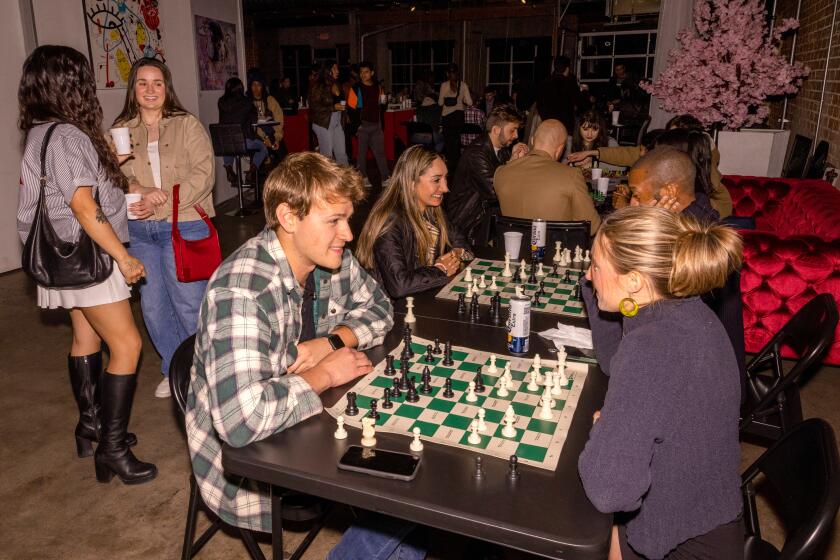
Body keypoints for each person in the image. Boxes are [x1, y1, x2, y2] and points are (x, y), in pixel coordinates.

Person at [185, 152, 426, 559]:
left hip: (312, 420)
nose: (348, 234)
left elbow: (383, 309)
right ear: (289, 217)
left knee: (418, 465)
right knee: (410, 497)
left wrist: (332, 342)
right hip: (254, 465)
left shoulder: (329, 259)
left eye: (347, 219)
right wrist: (325, 376)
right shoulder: (242, 292)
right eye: (334, 220)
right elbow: (241, 423)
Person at [17, 45, 156, 484]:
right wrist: (124, 257)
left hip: (64, 259)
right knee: (128, 345)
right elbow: (81, 204)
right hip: (89, 255)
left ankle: (91, 426)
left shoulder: (41, 133)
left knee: (85, 336)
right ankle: (112, 450)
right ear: (68, 84)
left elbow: (67, 189)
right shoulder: (68, 135)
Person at [579, 205, 744, 560]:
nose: (588, 276)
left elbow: (610, 490)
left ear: (635, 281)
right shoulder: (682, 310)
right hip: (702, 514)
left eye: (595, 265)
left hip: (682, 541)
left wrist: (603, 429)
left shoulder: (654, 346)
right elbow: (612, 360)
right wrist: (603, 293)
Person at [114, 58, 215, 398]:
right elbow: (111, 173)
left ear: (167, 87)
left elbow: (204, 175)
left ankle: (204, 371)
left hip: (183, 225)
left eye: (157, 82)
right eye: (142, 83)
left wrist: (164, 200)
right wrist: (136, 188)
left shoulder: (187, 124)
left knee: (188, 304)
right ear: (134, 90)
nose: (150, 89)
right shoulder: (122, 128)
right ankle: (175, 366)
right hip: (141, 231)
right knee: (154, 308)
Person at [621, 147, 748, 399]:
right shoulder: (693, 217)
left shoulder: (690, 243)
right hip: (691, 355)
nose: (631, 204)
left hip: (701, 383)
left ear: (668, 193)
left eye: (636, 195)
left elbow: (634, 302)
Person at [357, 146, 473, 299]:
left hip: (418, 298)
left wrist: (454, 255)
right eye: (436, 180)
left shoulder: (433, 210)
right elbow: (399, 286)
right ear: (411, 182)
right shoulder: (390, 221)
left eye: (445, 178)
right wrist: (440, 269)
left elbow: (464, 247)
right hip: (383, 308)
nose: (445, 188)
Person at [568, 113, 732, 217]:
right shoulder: (676, 171)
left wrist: (628, 209)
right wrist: (594, 153)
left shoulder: (699, 203)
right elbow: (633, 154)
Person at [495, 120, 600, 232]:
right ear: (560, 149)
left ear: (532, 141)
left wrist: (512, 163)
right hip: (554, 247)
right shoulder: (571, 175)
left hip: (509, 247)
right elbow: (592, 226)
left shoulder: (501, 173)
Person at [445, 104, 527, 246]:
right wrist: (512, 164)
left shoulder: (503, 150)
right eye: (512, 130)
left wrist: (513, 161)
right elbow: (495, 192)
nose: (516, 136)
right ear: (496, 130)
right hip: (467, 223)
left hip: (485, 216)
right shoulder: (476, 153)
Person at [347, 61, 390, 186]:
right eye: (361, 72)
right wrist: (357, 126)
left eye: (366, 72)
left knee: (380, 152)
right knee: (361, 154)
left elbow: (382, 105)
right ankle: (363, 177)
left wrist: (384, 102)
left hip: (376, 125)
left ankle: (385, 177)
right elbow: (350, 109)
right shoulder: (355, 88)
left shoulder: (378, 87)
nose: (363, 74)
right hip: (363, 125)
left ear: (372, 73)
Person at [217, 77, 266, 186]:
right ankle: (251, 171)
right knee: (263, 147)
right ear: (241, 88)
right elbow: (254, 120)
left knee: (230, 144)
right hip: (242, 141)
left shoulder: (221, 102)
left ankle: (229, 167)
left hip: (225, 143)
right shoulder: (247, 102)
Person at [308, 60, 349, 165]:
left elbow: (340, 103)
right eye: (334, 68)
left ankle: (346, 180)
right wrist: (333, 107)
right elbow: (314, 106)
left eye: (337, 68)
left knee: (341, 154)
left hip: (336, 121)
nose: (337, 71)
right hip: (323, 122)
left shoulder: (337, 84)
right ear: (327, 70)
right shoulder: (319, 85)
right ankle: (326, 181)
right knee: (327, 156)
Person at [536, 56, 585, 134]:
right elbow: (581, 104)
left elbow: (539, 105)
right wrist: (584, 92)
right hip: (566, 127)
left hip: (549, 126)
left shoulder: (544, 84)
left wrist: (546, 119)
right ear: (567, 69)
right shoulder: (570, 83)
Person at [438, 63, 472, 170]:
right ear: (457, 73)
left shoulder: (444, 85)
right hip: (458, 117)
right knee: (457, 143)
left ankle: (449, 167)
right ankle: (457, 167)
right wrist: (461, 101)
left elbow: (439, 103)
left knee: (448, 144)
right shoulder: (463, 85)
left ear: (448, 74)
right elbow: (470, 102)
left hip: (447, 118)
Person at [248, 70, 284, 170]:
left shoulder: (270, 100)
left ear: (263, 86)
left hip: (273, 136)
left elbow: (279, 120)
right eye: (253, 84)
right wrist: (264, 139)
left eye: (258, 84)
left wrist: (276, 138)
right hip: (257, 138)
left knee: (284, 158)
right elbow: (252, 125)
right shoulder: (247, 103)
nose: (255, 88)